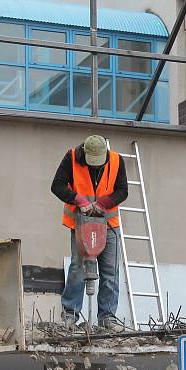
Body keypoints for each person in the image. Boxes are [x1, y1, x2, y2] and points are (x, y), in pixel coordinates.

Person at [51, 135, 127, 332]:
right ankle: (70, 314)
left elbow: (122, 191)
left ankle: (107, 318)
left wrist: (103, 204)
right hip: (81, 222)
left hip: (109, 223)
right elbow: (57, 186)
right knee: (77, 268)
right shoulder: (72, 159)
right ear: (84, 153)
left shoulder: (117, 161)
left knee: (110, 272)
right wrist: (79, 200)